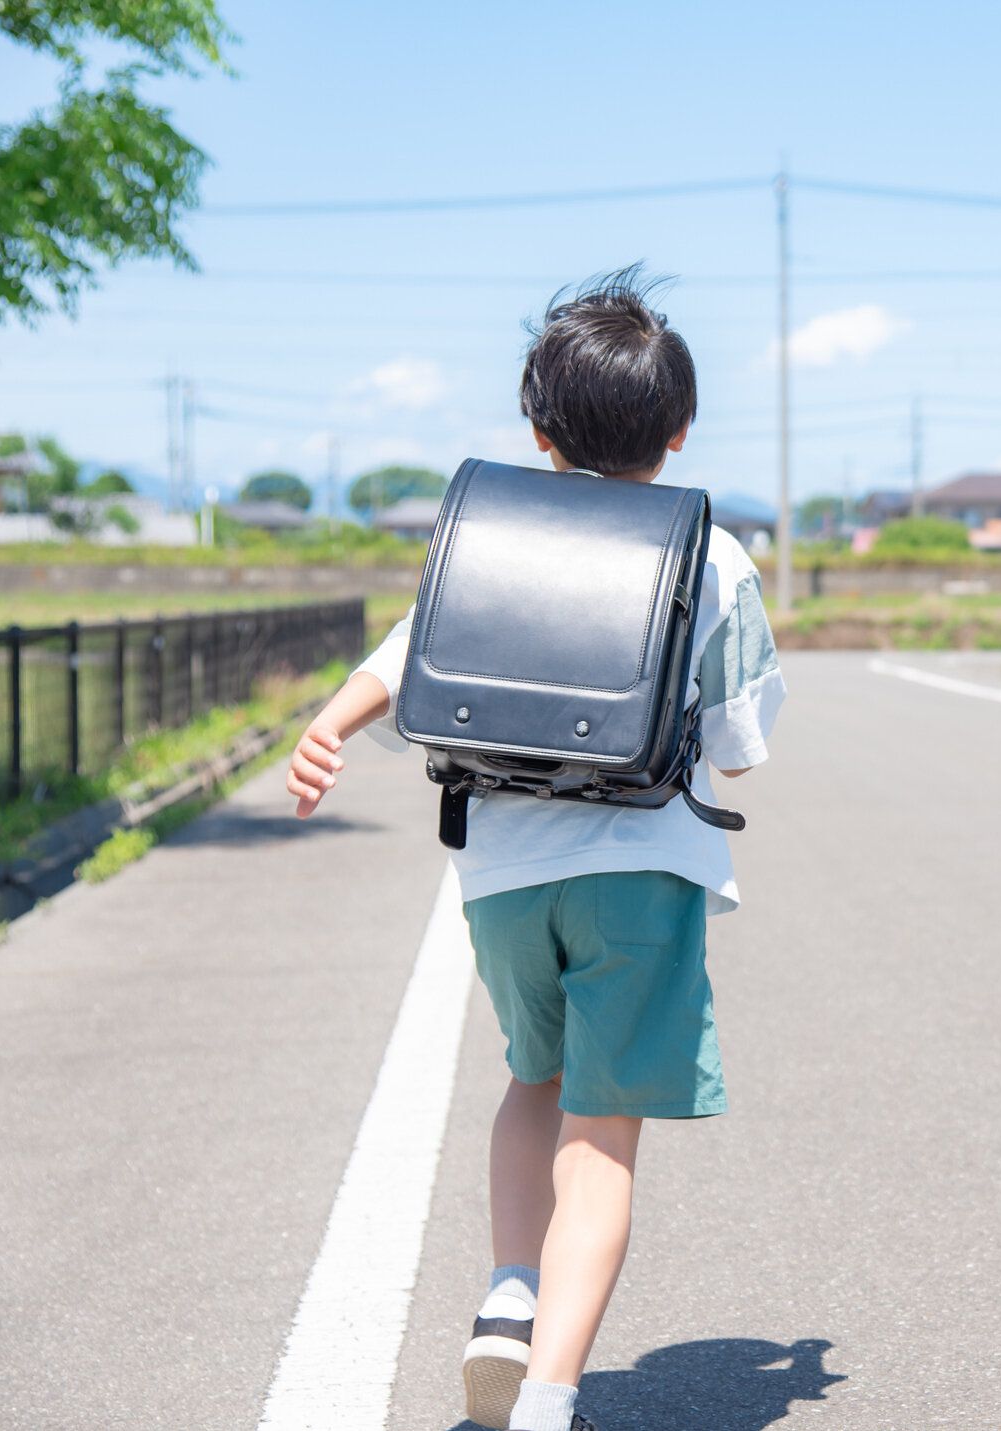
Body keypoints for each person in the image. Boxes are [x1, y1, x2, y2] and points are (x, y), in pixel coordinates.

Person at [284, 268, 785, 1431]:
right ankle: (553, 1399)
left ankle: (509, 1296)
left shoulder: (488, 531)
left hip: (502, 874)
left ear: (538, 428)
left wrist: (328, 726)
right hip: (640, 875)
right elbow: (744, 743)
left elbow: (414, 652)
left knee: (531, 1079)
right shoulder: (712, 555)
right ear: (680, 431)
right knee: (603, 1131)